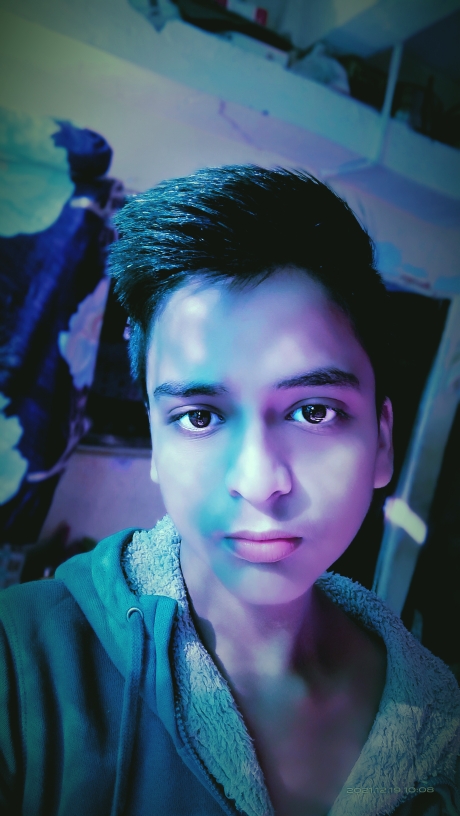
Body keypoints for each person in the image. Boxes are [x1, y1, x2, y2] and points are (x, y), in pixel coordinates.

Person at [0, 166, 459, 816]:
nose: (259, 483)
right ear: (156, 443)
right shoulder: (22, 663)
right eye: (200, 417)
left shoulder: (443, 728)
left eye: (314, 411)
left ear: (382, 442)